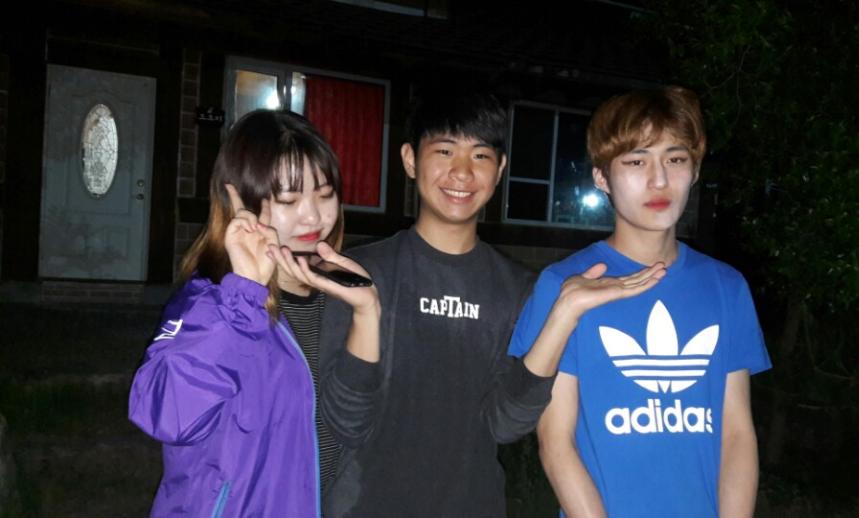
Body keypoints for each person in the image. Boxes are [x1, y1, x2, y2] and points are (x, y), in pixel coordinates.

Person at [317, 87, 663, 518]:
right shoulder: (361, 274)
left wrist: (563, 314)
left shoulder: (517, 288)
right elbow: (343, 422)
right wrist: (367, 313)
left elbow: (506, 423)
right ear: (410, 159)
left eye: (480, 155)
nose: (462, 172)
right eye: (445, 151)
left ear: (499, 170)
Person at [508, 86, 773, 517]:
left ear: (695, 170)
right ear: (601, 177)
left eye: (676, 159)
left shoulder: (727, 287)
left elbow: (737, 434)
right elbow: (556, 443)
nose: (659, 180)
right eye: (636, 161)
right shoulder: (564, 286)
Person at [128, 109, 378, 516]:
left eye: (325, 193)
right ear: (239, 200)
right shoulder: (211, 302)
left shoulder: (337, 295)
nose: (314, 216)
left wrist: (368, 314)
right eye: (289, 200)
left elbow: (352, 426)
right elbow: (166, 413)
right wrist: (243, 298)